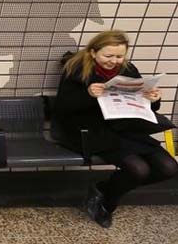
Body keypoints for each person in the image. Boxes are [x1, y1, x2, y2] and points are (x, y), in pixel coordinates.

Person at [53, 30, 177, 228]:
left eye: (119, 56)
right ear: (93, 52)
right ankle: (107, 206)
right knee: (138, 169)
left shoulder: (127, 69)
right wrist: (88, 95)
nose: (114, 61)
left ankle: (103, 188)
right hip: (90, 131)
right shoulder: (76, 69)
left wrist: (154, 99)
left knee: (169, 168)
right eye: (108, 56)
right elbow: (62, 107)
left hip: (125, 127)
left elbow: (146, 105)